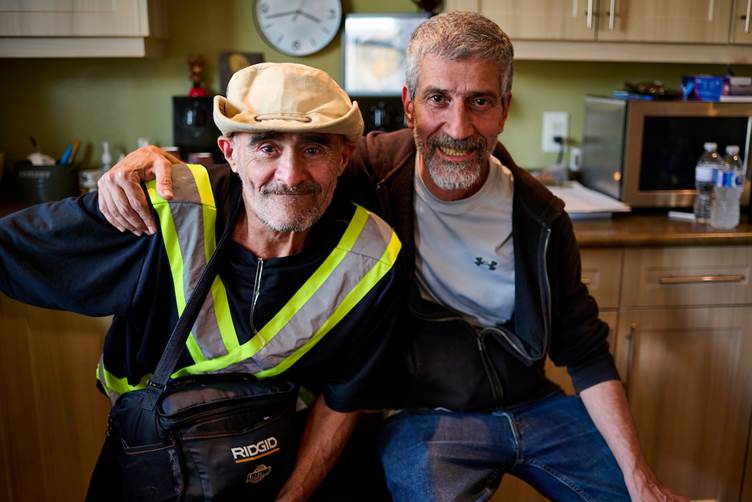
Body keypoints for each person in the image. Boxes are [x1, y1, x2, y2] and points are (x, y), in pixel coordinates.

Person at [97, 12, 687, 502]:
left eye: (480, 101)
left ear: (504, 109)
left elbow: (582, 348)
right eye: (439, 99)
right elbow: (268, 173)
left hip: (535, 406)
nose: (458, 126)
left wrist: (642, 477)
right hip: (422, 414)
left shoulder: (540, 214)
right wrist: (156, 160)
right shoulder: (361, 174)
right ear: (409, 104)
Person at [0, 62, 402, 501]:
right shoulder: (158, 209)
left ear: (343, 158)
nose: (290, 175)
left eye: (314, 149)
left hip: (281, 455)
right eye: (267, 147)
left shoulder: (373, 254)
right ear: (229, 153)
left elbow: (343, 399)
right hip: (151, 458)